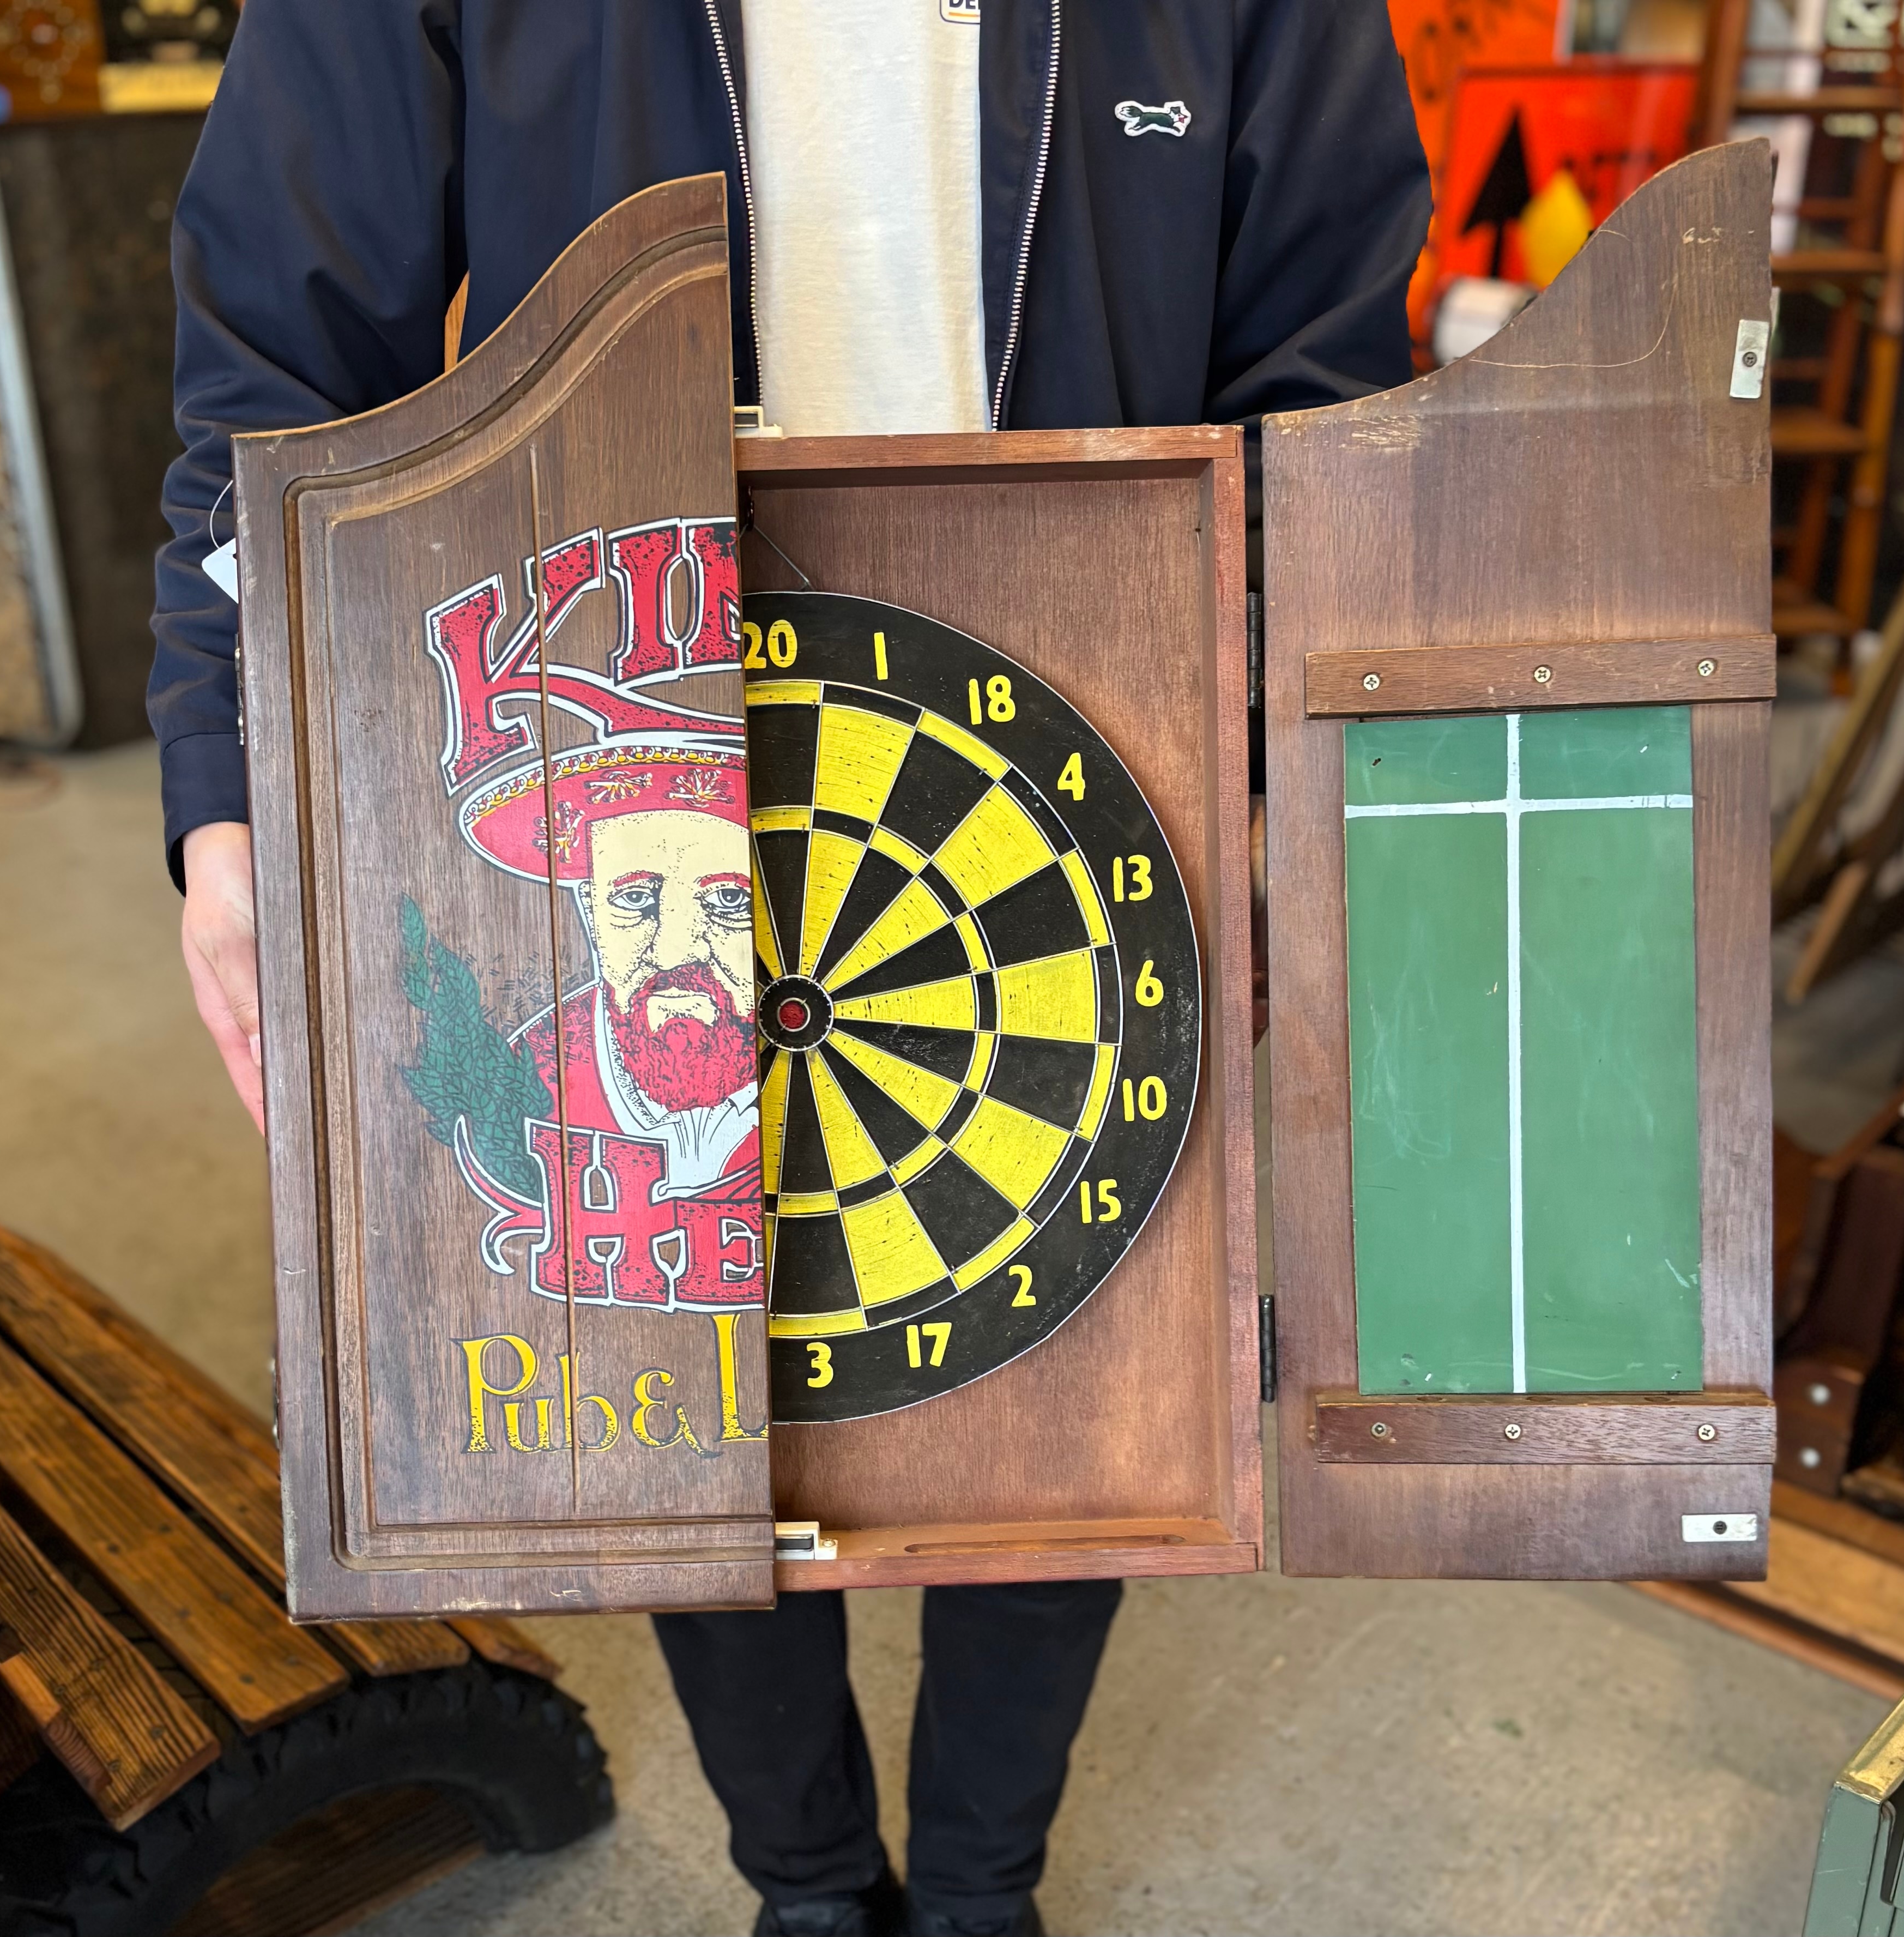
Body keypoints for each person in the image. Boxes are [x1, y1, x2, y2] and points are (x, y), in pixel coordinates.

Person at [150, 5, 1429, 1932]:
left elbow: (1326, 367)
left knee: (1077, 1301)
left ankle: (985, 1891)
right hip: (628, 660)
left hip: (1090, 677)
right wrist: (229, 765)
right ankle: (810, 1887)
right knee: (655, 1307)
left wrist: (1283, 760)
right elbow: (276, 353)